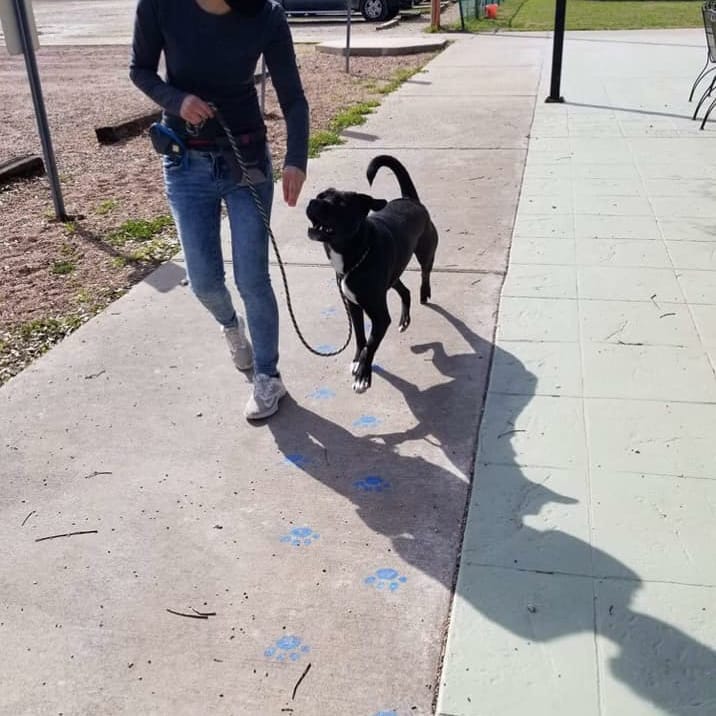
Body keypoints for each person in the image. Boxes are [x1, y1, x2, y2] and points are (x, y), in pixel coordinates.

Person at [129, 0, 309, 420]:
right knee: (205, 281)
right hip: (184, 161)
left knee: (253, 278)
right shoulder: (159, 6)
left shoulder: (265, 14)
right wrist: (176, 100)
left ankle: (269, 376)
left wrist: (296, 158)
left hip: (245, 159)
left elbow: (293, 98)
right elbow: (140, 69)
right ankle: (231, 325)